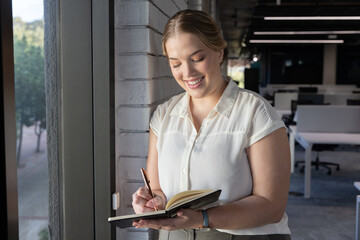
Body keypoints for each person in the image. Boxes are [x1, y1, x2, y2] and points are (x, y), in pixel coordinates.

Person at [132, 9, 291, 240]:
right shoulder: (164, 116)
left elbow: (272, 206)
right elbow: (159, 191)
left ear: (219, 52)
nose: (187, 72)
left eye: (197, 59)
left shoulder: (256, 112)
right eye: (175, 64)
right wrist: (151, 202)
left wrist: (202, 218)